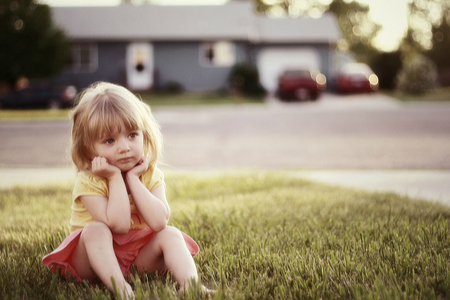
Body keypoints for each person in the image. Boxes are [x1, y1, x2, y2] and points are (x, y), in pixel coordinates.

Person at [42, 82, 211, 299]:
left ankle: (191, 286)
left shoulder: (148, 173)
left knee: (171, 234)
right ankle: (121, 289)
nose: (124, 147)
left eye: (132, 135)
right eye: (110, 140)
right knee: (96, 230)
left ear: (144, 134)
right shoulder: (89, 181)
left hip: (136, 260)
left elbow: (160, 222)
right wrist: (114, 177)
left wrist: (133, 178)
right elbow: (119, 225)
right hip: (94, 262)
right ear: (88, 148)